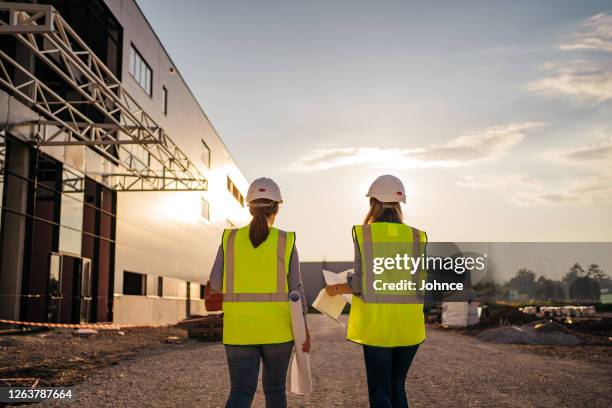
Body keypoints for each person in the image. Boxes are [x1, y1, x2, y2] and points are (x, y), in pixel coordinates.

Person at [326, 175, 427, 408]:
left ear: (373, 203)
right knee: (397, 386)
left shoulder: (365, 234)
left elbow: (359, 285)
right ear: (400, 204)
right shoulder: (416, 236)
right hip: (409, 325)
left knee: (380, 390)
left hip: (378, 326)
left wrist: (341, 284)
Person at [209, 177, 310, 408]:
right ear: (277, 207)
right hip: (278, 331)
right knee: (275, 391)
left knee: (241, 392)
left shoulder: (230, 239)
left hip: (239, 331)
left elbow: (215, 283)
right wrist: (303, 327)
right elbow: (296, 289)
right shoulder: (286, 240)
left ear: (249, 207)